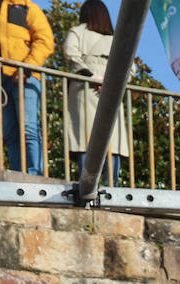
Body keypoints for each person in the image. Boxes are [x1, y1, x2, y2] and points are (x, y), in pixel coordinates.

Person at [0, 0, 54, 175]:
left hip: (25, 78)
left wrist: (26, 68)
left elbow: (45, 40)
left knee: (28, 128)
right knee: (9, 133)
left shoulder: (26, 6)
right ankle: (18, 175)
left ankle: (34, 174)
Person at [63, 0, 129, 186]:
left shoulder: (78, 32)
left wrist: (89, 75)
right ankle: (111, 187)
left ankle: (87, 187)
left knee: (84, 139)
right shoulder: (118, 39)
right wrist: (110, 83)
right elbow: (129, 69)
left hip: (84, 89)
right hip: (110, 92)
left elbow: (70, 53)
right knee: (112, 142)